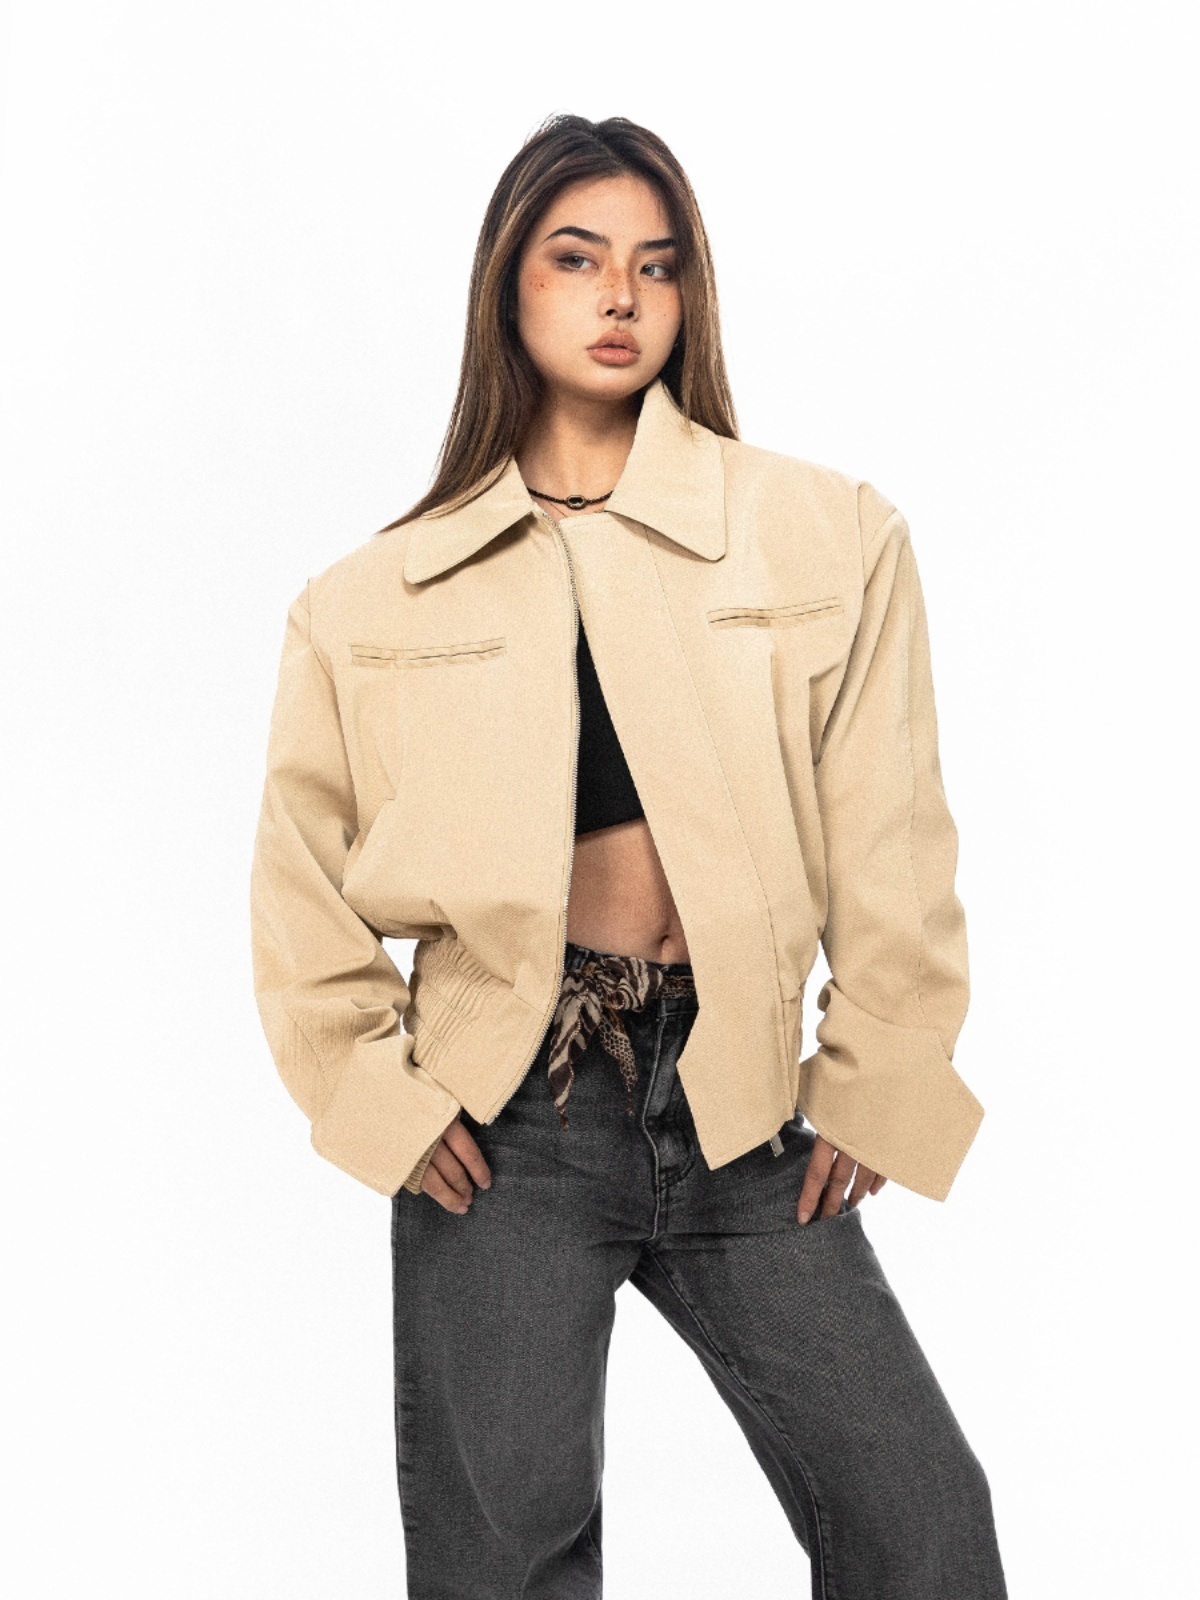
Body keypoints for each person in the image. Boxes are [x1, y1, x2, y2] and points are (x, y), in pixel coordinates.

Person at [250, 113, 1008, 1599]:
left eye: (657, 267)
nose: (620, 297)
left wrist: (884, 1066)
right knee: (505, 1561)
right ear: (507, 286)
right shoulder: (373, 598)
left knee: (921, 1517)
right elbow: (298, 882)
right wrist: (372, 1096)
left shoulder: (824, 533)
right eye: (578, 258)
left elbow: (894, 828)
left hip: (740, 1097)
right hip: (504, 1112)